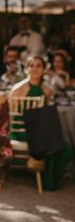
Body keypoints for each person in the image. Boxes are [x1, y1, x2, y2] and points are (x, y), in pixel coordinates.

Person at [9, 56, 72, 190]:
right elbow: (13, 116)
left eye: (39, 66)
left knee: (65, 148)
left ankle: (51, 180)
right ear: (26, 69)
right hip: (21, 132)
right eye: (31, 65)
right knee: (52, 141)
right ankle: (48, 183)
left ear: (44, 69)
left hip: (39, 131)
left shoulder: (46, 89)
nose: (35, 69)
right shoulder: (19, 89)